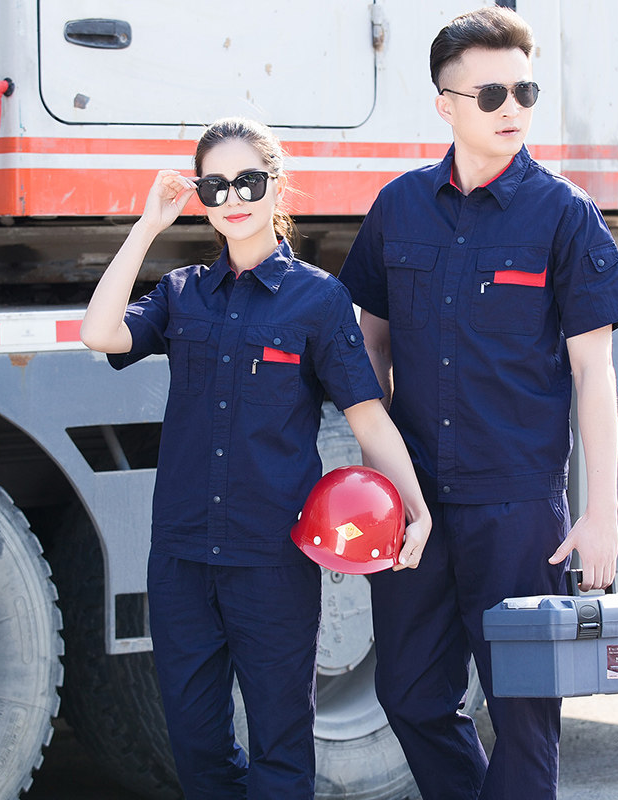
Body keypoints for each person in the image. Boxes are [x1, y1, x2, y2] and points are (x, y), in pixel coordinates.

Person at [80, 116, 431, 800]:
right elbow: (100, 331)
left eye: (247, 180)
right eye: (215, 186)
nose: (232, 198)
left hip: (272, 560)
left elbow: (368, 417)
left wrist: (414, 510)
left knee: (281, 751)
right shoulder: (182, 293)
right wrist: (148, 225)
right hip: (182, 558)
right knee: (197, 750)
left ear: (276, 185)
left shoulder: (318, 299)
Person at [339, 7, 618, 800]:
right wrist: (382, 471)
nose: (513, 108)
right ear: (445, 105)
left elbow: (595, 372)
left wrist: (601, 512)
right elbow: (369, 343)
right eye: (492, 94)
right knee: (409, 694)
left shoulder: (565, 215)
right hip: (415, 506)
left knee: (525, 716)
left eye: (525, 91)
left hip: (518, 512)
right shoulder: (399, 207)